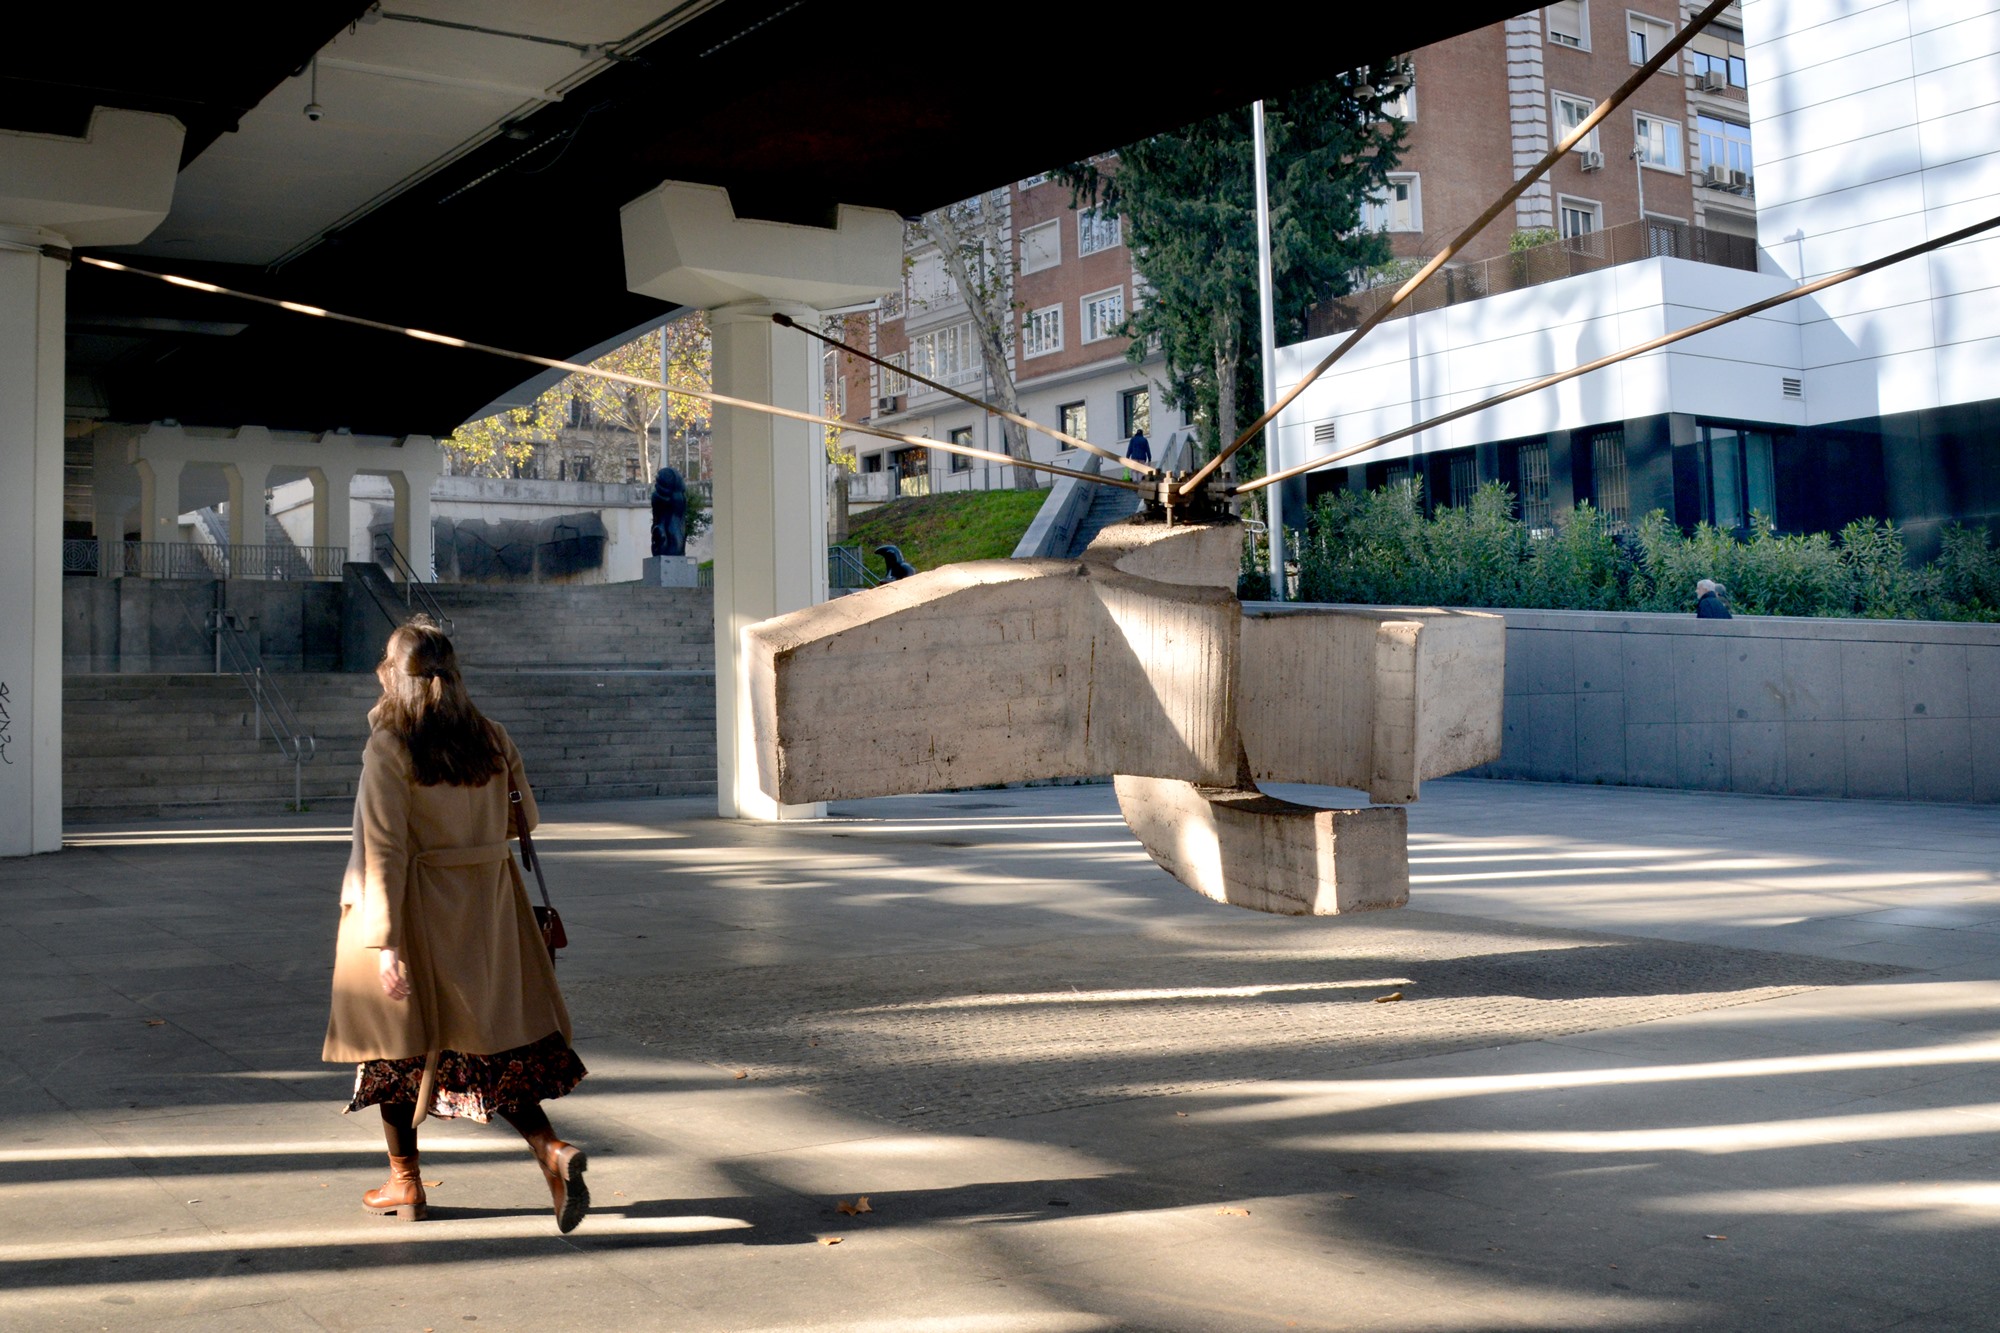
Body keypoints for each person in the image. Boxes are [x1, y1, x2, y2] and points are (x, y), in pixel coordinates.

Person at [323, 615, 589, 1231]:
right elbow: (524, 821)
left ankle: (405, 1182)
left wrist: (385, 944)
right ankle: (552, 1150)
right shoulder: (491, 736)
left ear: (394, 675)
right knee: (493, 1046)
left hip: (410, 910)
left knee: (392, 1048)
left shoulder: (391, 744)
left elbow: (384, 847)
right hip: (488, 913)